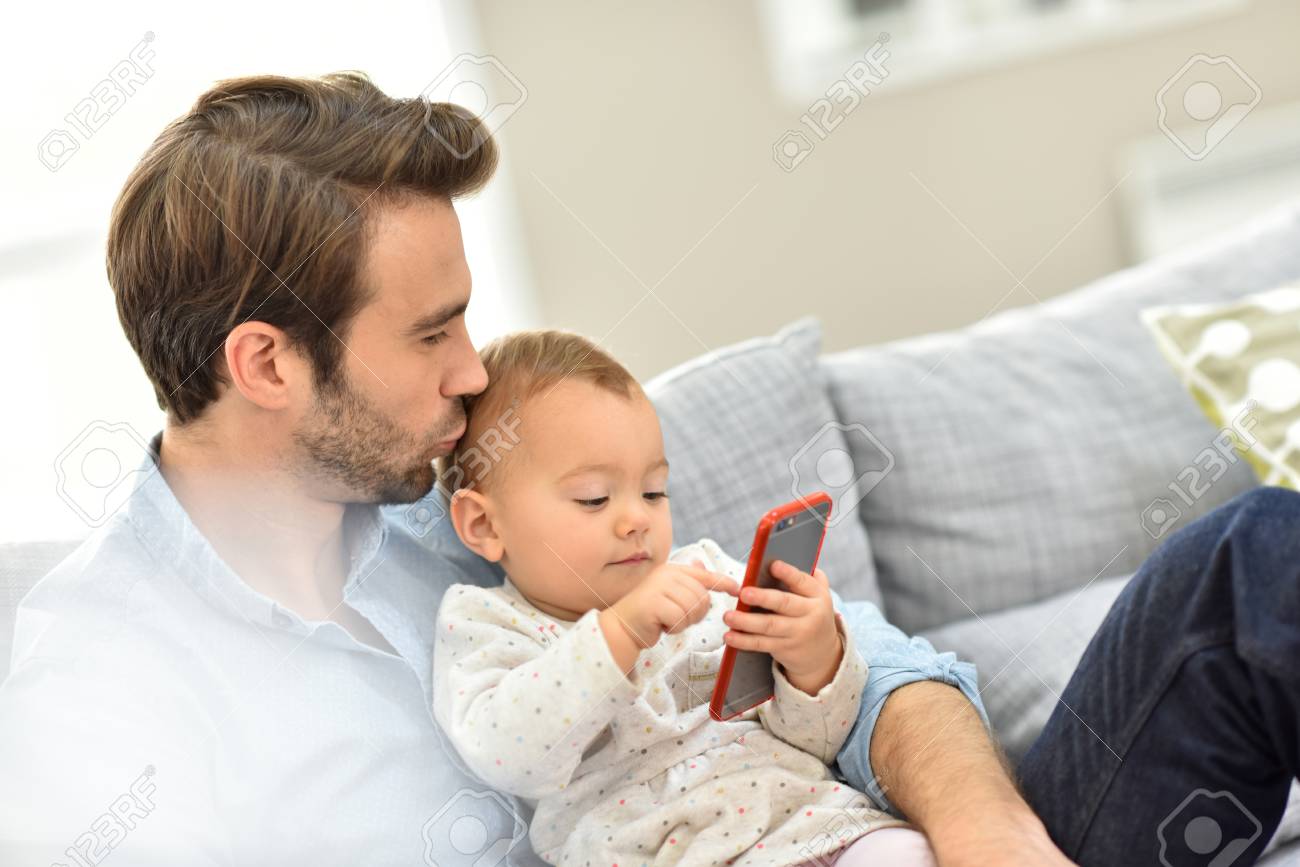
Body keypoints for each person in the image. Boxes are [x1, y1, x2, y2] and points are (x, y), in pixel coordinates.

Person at [1, 69, 1294, 867]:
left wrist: (986, 828)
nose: (472, 370)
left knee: (1257, 557)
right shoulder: (99, 690)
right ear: (266, 364)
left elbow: (872, 662)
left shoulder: (472, 495)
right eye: (431, 332)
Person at [431, 328, 935, 865]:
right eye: (594, 498)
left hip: (817, 826)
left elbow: (820, 741)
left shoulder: (707, 574)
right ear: (485, 525)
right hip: (668, 852)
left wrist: (813, 661)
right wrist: (621, 631)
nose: (637, 519)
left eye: (653, 491)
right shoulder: (487, 621)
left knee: (912, 852)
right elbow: (511, 756)